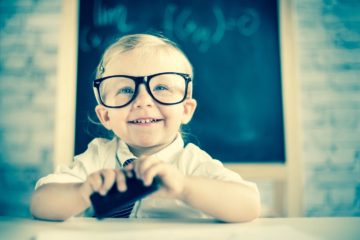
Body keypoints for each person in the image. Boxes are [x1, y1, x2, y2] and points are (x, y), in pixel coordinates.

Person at [30, 33, 261, 222]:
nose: (143, 100)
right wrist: (81, 192)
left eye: (161, 88)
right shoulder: (98, 157)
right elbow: (40, 203)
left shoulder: (191, 163)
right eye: (126, 90)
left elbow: (249, 204)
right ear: (106, 116)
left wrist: (184, 187)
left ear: (186, 110)